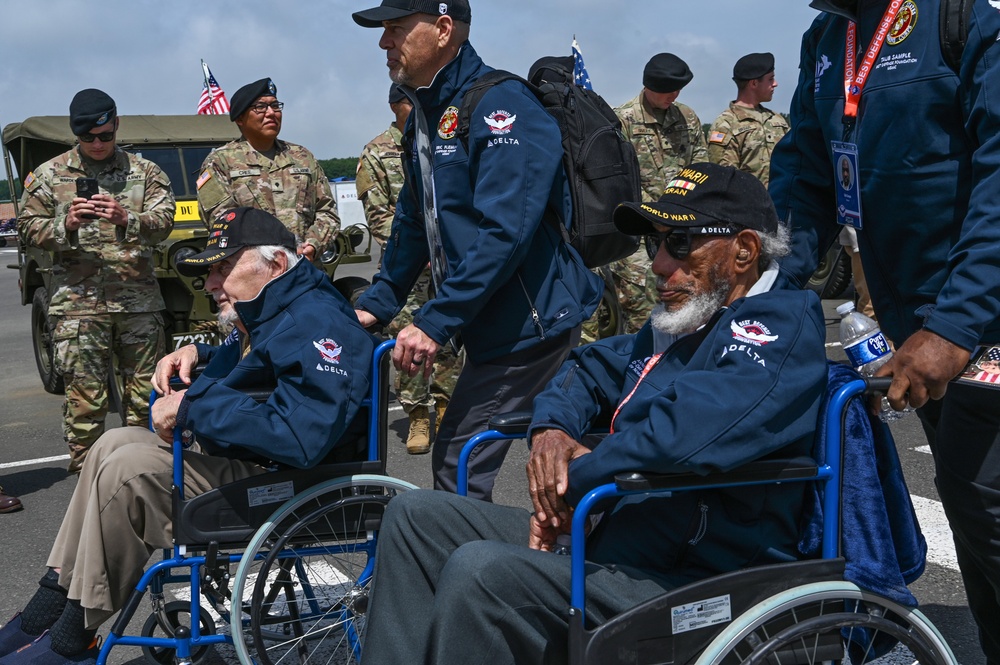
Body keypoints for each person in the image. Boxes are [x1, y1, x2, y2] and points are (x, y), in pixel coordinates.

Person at [359, 163, 828, 664]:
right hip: (615, 539)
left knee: (483, 571)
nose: (658, 265)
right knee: (414, 518)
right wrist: (551, 435)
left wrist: (574, 480)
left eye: (680, 245)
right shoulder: (687, 322)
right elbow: (583, 368)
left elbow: (681, 432)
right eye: (655, 244)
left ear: (743, 251)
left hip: (697, 579)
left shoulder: (776, 326)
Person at [0, 207, 376, 665]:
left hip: (298, 482)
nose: (211, 283)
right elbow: (259, 367)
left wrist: (194, 405)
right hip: (259, 465)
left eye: (223, 268)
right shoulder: (276, 308)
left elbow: (302, 437)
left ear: (275, 265)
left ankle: (71, 637)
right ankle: (49, 606)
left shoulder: (318, 322)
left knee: (129, 471)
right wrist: (200, 352)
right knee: (112, 444)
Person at [768, 1, 1000, 659]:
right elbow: (803, 176)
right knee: (972, 516)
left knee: (985, 503)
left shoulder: (960, 17)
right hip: (918, 335)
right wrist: (764, 294)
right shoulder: (827, 37)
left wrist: (952, 326)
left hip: (979, 323)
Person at [351, 0, 603, 499]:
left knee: (458, 463)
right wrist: (377, 304)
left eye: (396, 29)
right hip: (492, 322)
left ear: (444, 29)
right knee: (544, 449)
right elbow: (414, 220)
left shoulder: (500, 105)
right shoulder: (428, 110)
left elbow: (506, 232)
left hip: (531, 325)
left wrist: (435, 321)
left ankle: (487, 572)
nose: (384, 43)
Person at [17, 89, 175, 474]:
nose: (98, 144)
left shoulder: (145, 172)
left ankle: (146, 472)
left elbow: (164, 220)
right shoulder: (50, 175)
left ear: (116, 125)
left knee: (145, 397)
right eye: (89, 138)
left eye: (106, 135)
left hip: (137, 305)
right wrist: (64, 225)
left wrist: (127, 219)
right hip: (77, 307)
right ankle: (89, 476)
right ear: (76, 135)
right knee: (85, 398)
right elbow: (25, 226)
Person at [356, 84, 463, 454]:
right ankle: (418, 414)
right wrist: (422, 248)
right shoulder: (376, 152)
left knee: (447, 340)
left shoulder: (440, 138)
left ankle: (449, 406)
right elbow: (379, 217)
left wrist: (443, 245)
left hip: (445, 266)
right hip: (406, 273)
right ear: (396, 106)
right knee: (408, 344)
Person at [590, 53, 708, 340]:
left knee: (689, 302)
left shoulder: (686, 117)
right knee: (642, 302)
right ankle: (640, 364)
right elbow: (614, 181)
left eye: (678, 90)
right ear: (649, 86)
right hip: (639, 231)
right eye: (668, 90)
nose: (674, 96)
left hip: (680, 227)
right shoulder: (623, 120)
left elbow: (701, 166)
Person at [196, 77, 339, 262]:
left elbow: (327, 211)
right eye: (260, 107)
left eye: (275, 106)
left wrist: (313, 244)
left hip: (304, 268)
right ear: (240, 118)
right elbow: (222, 222)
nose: (271, 113)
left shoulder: (302, 157)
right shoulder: (220, 162)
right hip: (253, 272)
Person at [707, 52, 789, 187]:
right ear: (754, 83)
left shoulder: (777, 120)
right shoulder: (726, 124)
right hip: (746, 205)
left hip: (779, 203)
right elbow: (723, 178)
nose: (775, 84)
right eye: (770, 79)